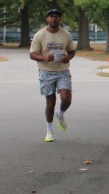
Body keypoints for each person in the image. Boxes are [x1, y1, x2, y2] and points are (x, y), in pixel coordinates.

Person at [29, 8, 77, 142]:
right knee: (50, 103)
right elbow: (32, 54)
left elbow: (72, 51)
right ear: (47, 19)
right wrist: (44, 58)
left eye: (56, 16)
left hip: (62, 71)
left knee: (66, 99)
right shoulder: (40, 35)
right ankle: (49, 131)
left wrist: (68, 57)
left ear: (59, 19)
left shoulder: (66, 34)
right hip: (46, 71)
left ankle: (60, 114)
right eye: (51, 16)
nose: (53, 19)